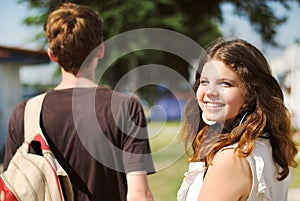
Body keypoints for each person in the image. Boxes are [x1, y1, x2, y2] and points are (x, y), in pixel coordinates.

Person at [3, 3, 155, 201]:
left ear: (52, 55)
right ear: (100, 50)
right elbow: (139, 194)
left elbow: (10, 190)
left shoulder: (25, 113)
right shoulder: (125, 107)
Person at [177, 38, 298, 201]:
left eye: (225, 83)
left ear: (251, 92)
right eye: (204, 81)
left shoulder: (231, 159)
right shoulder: (270, 143)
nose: (210, 92)